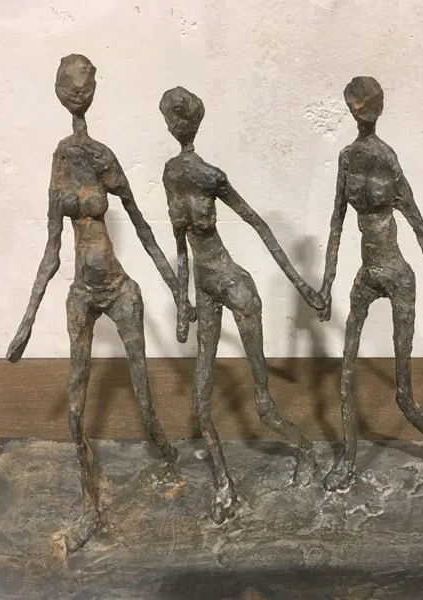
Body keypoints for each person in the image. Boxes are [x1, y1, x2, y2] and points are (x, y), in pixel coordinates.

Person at [7, 55, 192, 550]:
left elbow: (142, 225)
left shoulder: (101, 156)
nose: (78, 93)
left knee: (143, 395)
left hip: (119, 287)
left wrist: (177, 289)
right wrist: (26, 322)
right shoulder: (61, 159)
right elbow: (51, 249)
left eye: (83, 84)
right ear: (60, 91)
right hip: (82, 293)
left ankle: (166, 453)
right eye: (70, 85)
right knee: (76, 396)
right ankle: (88, 503)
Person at [159, 86, 324, 523]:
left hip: (235, 287)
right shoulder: (171, 174)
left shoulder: (211, 176)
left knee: (262, 406)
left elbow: (257, 223)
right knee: (200, 405)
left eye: (177, 118)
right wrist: (182, 302)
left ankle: (306, 450)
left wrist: (301, 285)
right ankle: (224, 486)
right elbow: (180, 249)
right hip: (205, 292)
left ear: (187, 123)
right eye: (170, 118)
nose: (173, 124)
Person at [318, 76, 423, 491]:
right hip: (367, 277)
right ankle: (348, 461)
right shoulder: (347, 158)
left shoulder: (388, 160)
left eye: (367, 105)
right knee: (345, 378)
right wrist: (326, 285)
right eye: (356, 105)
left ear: (378, 109)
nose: (361, 111)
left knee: (402, 395)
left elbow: (421, 231)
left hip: (398, 278)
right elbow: (336, 224)